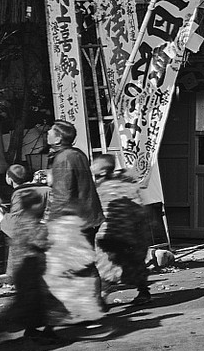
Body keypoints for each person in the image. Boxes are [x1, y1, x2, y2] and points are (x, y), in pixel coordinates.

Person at [41, 120, 105, 326]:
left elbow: (63, 194)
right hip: (89, 216)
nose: (47, 133)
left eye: (50, 131)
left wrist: (50, 222)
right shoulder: (77, 154)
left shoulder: (63, 159)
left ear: (58, 138)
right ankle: (94, 303)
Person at [0, 174, 60, 343]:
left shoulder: (20, 221)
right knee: (40, 302)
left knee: (30, 303)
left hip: (24, 270)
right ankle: (3, 324)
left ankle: (32, 330)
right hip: (32, 270)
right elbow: (41, 242)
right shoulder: (32, 223)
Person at [92, 155, 152, 307]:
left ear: (104, 171)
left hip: (112, 234)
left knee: (106, 267)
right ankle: (143, 291)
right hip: (128, 234)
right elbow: (140, 210)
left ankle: (102, 297)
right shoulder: (127, 186)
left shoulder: (102, 189)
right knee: (132, 265)